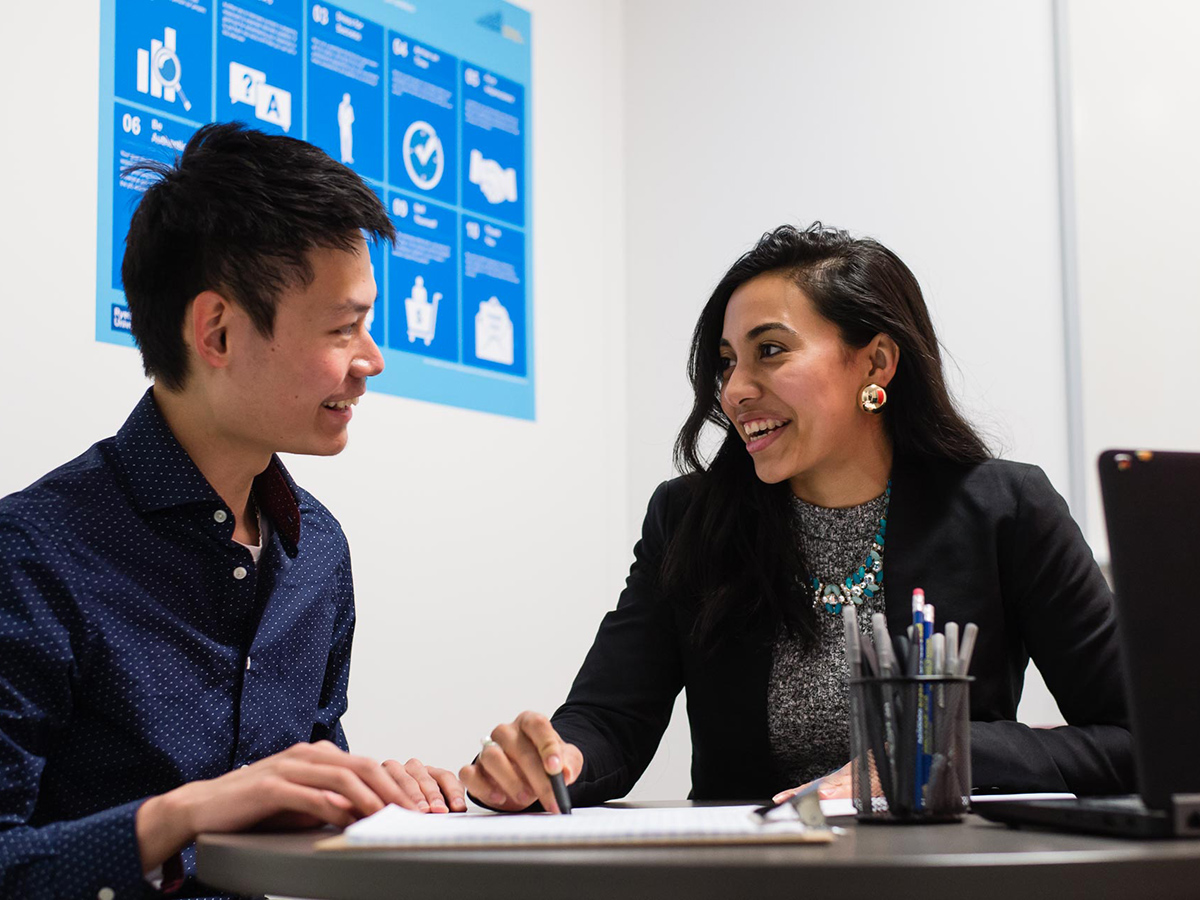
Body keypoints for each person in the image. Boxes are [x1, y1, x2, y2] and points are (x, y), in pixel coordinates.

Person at [460, 223, 1134, 814]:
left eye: (770, 351)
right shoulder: (689, 519)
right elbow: (612, 718)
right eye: (726, 363)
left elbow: (1139, 737)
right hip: (757, 877)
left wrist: (954, 752)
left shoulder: (1005, 510)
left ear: (876, 362)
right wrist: (555, 763)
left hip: (940, 874)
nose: (734, 390)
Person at [0, 123, 463, 900]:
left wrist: (373, 795)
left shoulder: (316, 550)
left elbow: (301, 803)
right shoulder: (34, 554)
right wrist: (185, 814)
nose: (371, 360)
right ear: (217, 330)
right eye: (344, 327)